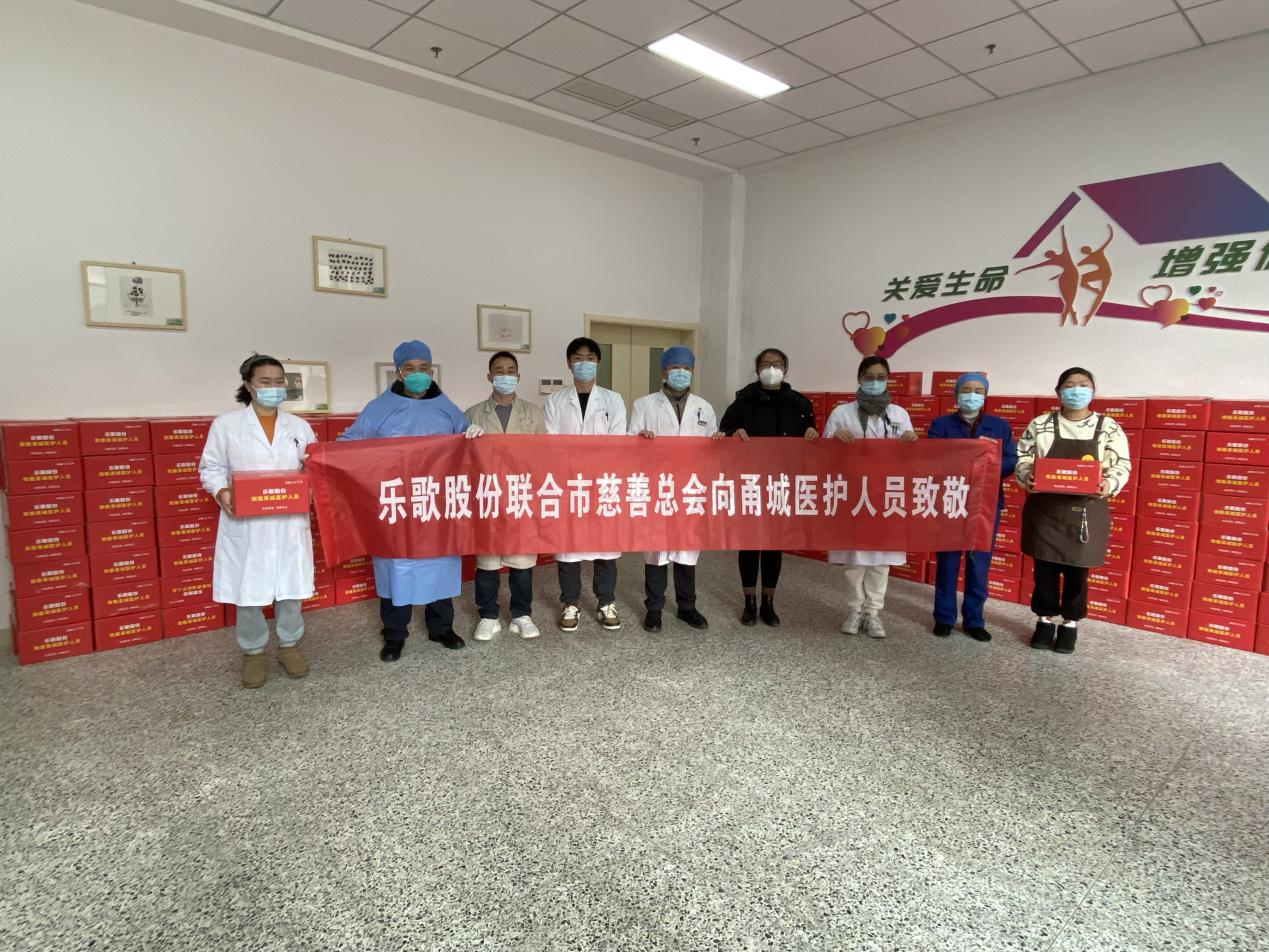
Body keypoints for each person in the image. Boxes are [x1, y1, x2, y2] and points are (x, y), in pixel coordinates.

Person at [339, 340, 483, 662]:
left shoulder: (446, 407)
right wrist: (324, 456)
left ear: (431, 371)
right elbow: (349, 444)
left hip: (436, 502)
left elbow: (466, 442)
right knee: (396, 567)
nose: (418, 373)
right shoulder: (379, 408)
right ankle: (394, 634)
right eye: (410, 368)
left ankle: (441, 628)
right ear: (399, 372)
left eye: (423, 368)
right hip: (397, 503)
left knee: (440, 563)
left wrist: (474, 433)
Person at [199, 354, 318, 688]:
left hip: (289, 521)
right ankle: (253, 651)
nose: (273, 388)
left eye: (279, 382)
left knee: (291, 586)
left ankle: (289, 645)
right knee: (248, 587)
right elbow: (211, 467)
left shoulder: (299, 427)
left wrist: (311, 485)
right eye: (265, 382)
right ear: (248, 385)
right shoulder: (226, 425)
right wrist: (222, 492)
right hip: (247, 523)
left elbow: (313, 465)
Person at [1016, 367, 1131, 655]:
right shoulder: (1040, 424)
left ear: (1093, 391)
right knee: (1044, 570)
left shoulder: (1108, 427)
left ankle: (1070, 623)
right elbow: (1023, 457)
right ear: (1058, 391)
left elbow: (1121, 464)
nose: (1077, 390)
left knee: (1078, 572)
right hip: (1046, 510)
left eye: (1083, 385)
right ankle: (1044, 620)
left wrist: (1109, 483)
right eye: (1070, 385)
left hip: (1086, 512)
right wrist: (1027, 475)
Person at [719, 347, 817, 627]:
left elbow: (811, 436)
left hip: (782, 483)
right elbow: (723, 433)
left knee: (774, 543)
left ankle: (769, 602)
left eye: (776, 364)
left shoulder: (800, 404)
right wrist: (733, 434)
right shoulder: (743, 402)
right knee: (750, 542)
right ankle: (749, 601)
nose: (771, 369)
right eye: (765, 364)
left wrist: (812, 433)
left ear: (785, 368)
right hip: (750, 482)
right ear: (757, 368)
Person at [629, 346, 724, 633]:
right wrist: (639, 438)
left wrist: (718, 441)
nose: (681, 373)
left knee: (687, 549)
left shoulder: (704, 407)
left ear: (692, 372)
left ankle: (687, 607)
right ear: (664, 372)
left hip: (691, 487)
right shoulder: (644, 405)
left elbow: (712, 449)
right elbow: (628, 443)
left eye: (686, 368)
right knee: (656, 550)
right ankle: (654, 608)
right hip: (658, 486)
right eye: (675, 368)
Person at [823, 356, 917, 639]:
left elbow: (911, 459)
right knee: (855, 558)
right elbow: (823, 453)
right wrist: (834, 438)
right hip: (854, 494)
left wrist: (911, 443)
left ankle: (873, 613)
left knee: (880, 559)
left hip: (886, 495)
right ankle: (854, 610)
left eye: (880, 377)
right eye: (869, 377)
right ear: (859, 378)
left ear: (888, 380)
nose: (875, 382)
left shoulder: (899, 414)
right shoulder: (842, 413)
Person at [544, 337, 628, 632]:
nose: (584, 363)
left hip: (603, 483)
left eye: (590, 358)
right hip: (568, 482)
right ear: (569, 363)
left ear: (598, 363)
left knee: (606, 546)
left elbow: (617, 441)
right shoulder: (555, 401)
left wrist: (588, 459)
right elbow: (551, 444)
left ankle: (606, 602)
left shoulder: (613, 400)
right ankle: (570, 603)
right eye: (578, 358)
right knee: (568, 545)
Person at [927, 373, 1017, 642]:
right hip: (950, 499)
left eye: (978, 391)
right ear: (956, 394)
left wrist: (986, 467)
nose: (972, 395)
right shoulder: (941, 425)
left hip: (986, 503)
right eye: (966, 390)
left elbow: (1011, 459)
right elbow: (930, 459)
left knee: (979, 564)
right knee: (948, 561)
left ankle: (974, 619)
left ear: (985, 396)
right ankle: (944, 617)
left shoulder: (999, 426)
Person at [464, 351, 547, 642]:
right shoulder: (473, 414)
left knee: (521, 561)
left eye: (511, 370)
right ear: (489, 376)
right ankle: (488, 616)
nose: (505, 376)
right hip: (488, 495)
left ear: (518, 376)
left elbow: (545, 457)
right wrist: (466, 439)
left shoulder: (533, 414)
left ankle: (521, 615)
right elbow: (463, 461)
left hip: (521, 494)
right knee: (487, 562)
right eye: (499, 371)